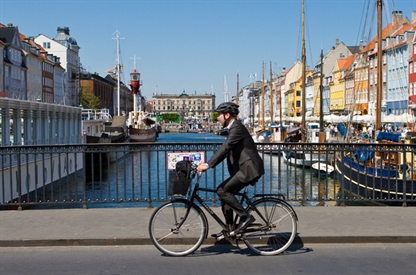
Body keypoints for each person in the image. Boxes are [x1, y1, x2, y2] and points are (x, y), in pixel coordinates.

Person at [197, 102, 265, 238]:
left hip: (249, 169)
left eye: (219, 115)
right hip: (244, 169)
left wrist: (208, 165)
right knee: (225, 196)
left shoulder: (237, 127)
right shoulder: (233, 128)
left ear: (227, 115)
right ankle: (229, 229)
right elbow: (226, 150)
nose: (217, 118)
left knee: (222, 190)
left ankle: (245, 217)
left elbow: (225, 147)